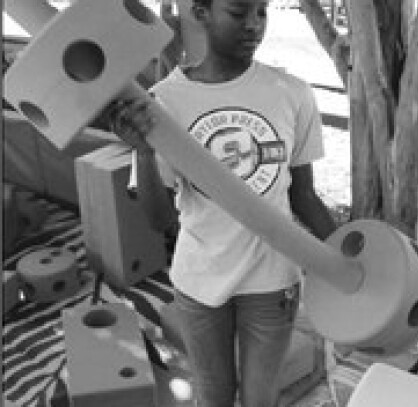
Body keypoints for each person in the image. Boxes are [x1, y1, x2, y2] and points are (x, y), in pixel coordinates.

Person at [109, 0, 336, 405]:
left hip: (273, 281)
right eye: (238, 13)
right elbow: (159, 219)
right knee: (213, 394)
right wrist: (143, 154)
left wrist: (346, 261)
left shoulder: (292, 93)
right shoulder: (162, 103)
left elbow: (303, 195)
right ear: (202, 13)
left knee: (259, 396)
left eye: (262, 12)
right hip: (199, 280)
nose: (253, 25)